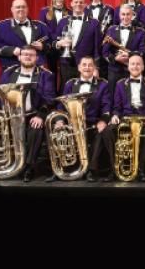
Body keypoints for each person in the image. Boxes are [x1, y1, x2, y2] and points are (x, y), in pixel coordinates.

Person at [0, 44, 56, 182]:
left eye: (31, 55)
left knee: (36, 131)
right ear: (19, 57)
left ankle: (29, 167)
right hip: (8, 115)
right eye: (25, 54)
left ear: (36, 58)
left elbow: (49, 99)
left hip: (30, 115)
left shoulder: (45, 75)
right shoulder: (9, 73)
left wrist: (40, 116)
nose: (28, 57)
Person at [45, 55, 114, 183]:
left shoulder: (103, 84)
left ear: (94, 68)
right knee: (57, 132)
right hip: (72, 123)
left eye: (90, 65)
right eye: (84, 65)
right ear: (79, 67)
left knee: (100, 134)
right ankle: (60, 169)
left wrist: (103, 120)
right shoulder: (70, 84)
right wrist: (59, 120)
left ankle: (91, 170)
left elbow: (106, 105)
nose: (87, 67)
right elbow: (61, 104)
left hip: (92, 122)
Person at [108, 54, 145, 182]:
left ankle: (140, 168)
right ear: (128, 66)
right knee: (108, 131)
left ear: (143, 67)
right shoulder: (120, 84)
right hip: (125, 119)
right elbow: (116, 107)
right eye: (132, 64)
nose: (135, 66)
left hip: (143, 119)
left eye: (138, 64)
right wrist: (115, 115)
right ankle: (115, 168)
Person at [53, 0, 100, 90]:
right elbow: (54, 40)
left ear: (85, 5)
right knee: (65, 91)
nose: (78, 4)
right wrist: (59, 43)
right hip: (66, 64)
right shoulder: (63, 21)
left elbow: (97, 48)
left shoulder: (94, 23)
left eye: (81, 2)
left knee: (85, 91)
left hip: (86, 66)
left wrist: (96, 67)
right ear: (71, 4)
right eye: (76, 2)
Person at [0, 0, 51, 71]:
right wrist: (12, 50)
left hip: (38, 68)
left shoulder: (41, 26)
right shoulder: (0, 27)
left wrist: (43, 46)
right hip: (12, 68)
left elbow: (50, 43)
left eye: (23, 7)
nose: (21, 9)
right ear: (12, 9)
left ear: (27, 9)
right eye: (18, 7)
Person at [101, 4, 145, 93]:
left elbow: (142, 51)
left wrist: (130, 55)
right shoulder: (111, 29)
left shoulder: (140, 31)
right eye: (123, 14)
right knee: (113, 97)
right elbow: (105, 52)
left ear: (132, 16)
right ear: (119, 15)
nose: (125, 17)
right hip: (114, 70)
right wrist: (115, 58)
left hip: (133, 70)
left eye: (128, 14)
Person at [84, 0, 115, 80]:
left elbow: (112, 26)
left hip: (104, 43)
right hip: (89, 44)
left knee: (103, 71)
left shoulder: (109, 9)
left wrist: (105, 39)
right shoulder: (85, 9)